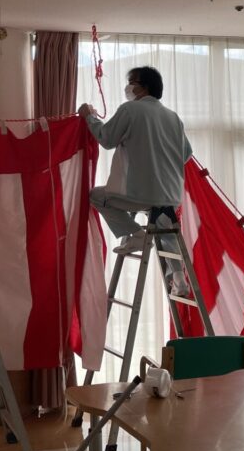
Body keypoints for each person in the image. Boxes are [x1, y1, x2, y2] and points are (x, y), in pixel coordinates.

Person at [77, 66, 193, 295]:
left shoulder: (130, 109)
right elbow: (186, 154)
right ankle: (180, 280)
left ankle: (137, 235)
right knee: (164, 224)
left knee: (96, 196)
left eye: (132, 82)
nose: (128, 87)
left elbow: (107, 138)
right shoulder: (173, 117)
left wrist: (89, 117)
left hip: (138, 194)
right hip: (170, 195)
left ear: (144, 87)